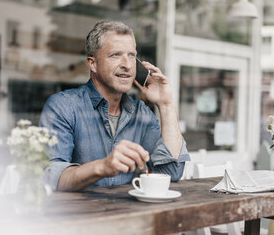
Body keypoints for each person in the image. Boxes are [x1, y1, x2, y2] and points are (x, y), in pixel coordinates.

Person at [39, 20, 190, 191]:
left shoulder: (142, 114)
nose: (127, 65)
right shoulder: (63, 106)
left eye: (131, 55)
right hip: (79, 216)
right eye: (115, 55)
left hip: (125, 214)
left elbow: (171, 172)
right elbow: (50, 178)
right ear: (92, 63)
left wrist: (166, 104)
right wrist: (102, 167)